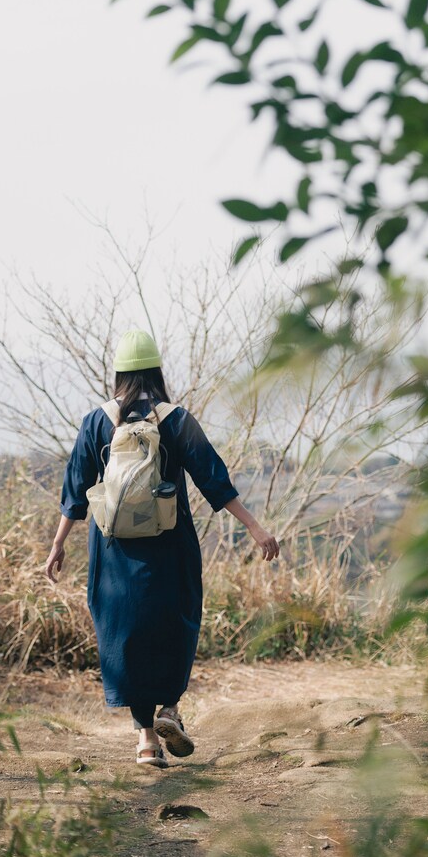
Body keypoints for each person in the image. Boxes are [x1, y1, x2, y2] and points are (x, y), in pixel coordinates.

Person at [44, 328, 279, 767]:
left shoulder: (96, 422)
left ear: (118, 374)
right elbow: (215, 480)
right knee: (178, 622)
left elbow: (75, 491)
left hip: (115, 554)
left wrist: (57, 545)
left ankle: (146, 740)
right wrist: (257, 529)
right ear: (157, 371)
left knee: (125, 635)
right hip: (170, 547)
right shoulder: (175, 419)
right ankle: (169, 706)